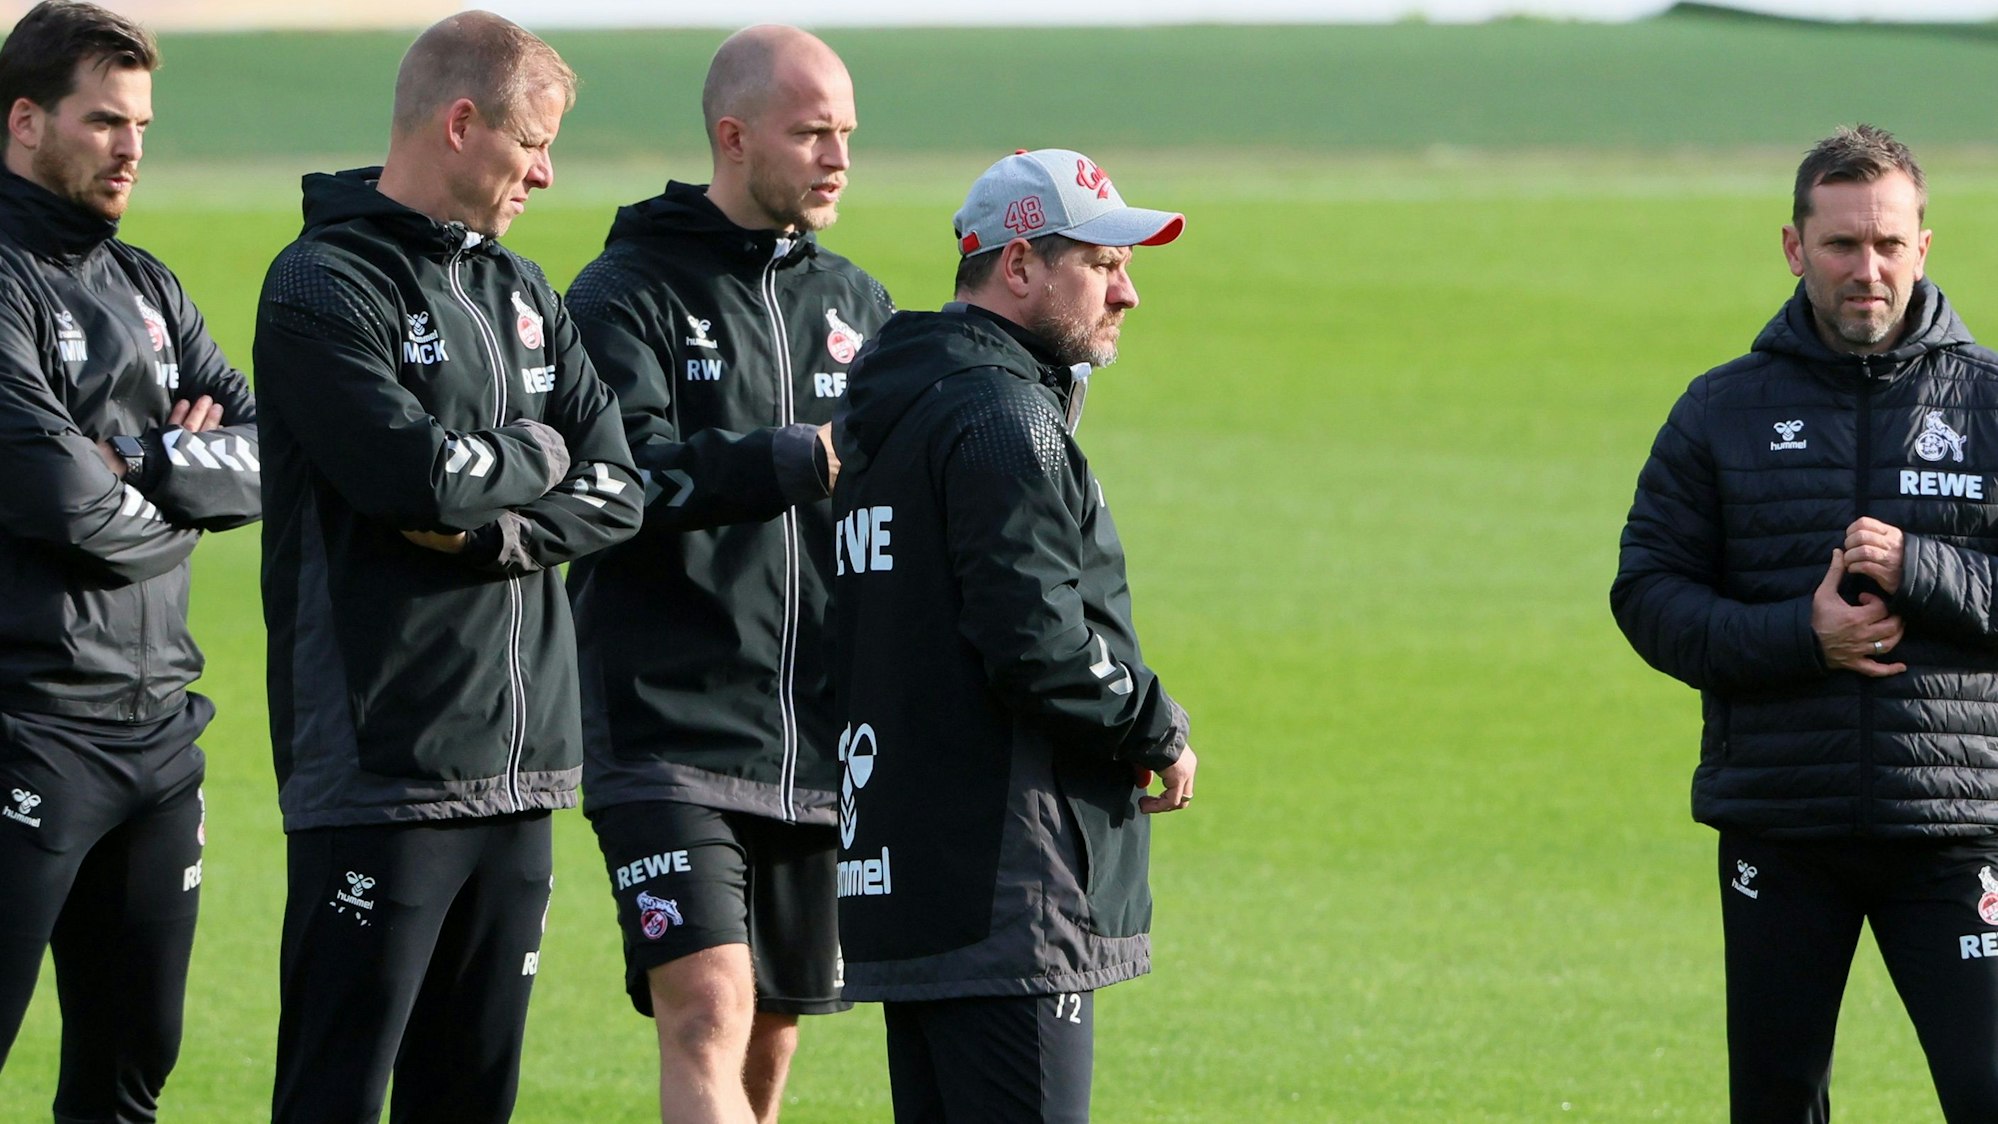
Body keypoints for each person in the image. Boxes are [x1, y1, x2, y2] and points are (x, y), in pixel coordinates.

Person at [252, 12, 640, 1122]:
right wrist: (539, 453)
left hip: (524, 774)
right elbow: (408, 476)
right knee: (333, 1090)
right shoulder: (324, 284)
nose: (548, 173)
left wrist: (498, 526)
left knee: (472, 1097)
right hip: (382, 765)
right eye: (533, 143)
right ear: (463, 124)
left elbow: (618, 484)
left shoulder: (524, 291)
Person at [1613, 124, 1998, 1122]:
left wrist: (1924, 567)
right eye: (1840, 244)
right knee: (1778, 1103)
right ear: (1795, 248)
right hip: (1784, 823)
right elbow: (1648, 591)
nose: (1865, 268)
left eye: (1886, 243)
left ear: (1924, 245)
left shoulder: (1993, 406)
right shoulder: (1722, 411)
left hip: (1960, 830)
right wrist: (1801, 633)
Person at [564, 25, 894, 1123]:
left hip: (817, 733)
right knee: (708, 999)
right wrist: (795, 456)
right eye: (811, 133)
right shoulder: (625, 293)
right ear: (733, 135)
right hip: (667, 726)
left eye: (845, 132)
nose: (837, 156)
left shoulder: (862, 305)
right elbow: (621, 479)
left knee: (772, 1031)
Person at [828, 148, 1197, 1121]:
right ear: (1020, 264)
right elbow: (1035, 638)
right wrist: (1156, 725)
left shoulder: (893, 418)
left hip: (908, 873)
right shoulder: (1005, 421)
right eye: (1103, 264)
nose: (1129, 294)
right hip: (1008, 883)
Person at [0, 2, 260, 1119]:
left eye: (141, 122)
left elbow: (267, 458)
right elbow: (60, 500)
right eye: (105, 120)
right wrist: (180, 480)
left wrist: (140, 462)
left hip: (159, 742)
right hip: (26, 727)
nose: (132, 147)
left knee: (130, 1069)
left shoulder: (147, 284)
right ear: (24, 121)